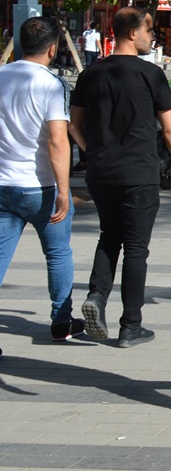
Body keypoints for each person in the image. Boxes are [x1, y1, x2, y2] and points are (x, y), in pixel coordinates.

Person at [72, 7, 171, 347]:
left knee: (109, 236)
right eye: (148, 31)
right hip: (139, 172)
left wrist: (91, 151)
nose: (152, 37)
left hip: (101, 171)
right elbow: (170, 128)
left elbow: (73, 126)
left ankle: (96, 296)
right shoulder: (151, 75)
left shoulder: (90, 74)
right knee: (136, 249)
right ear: (132, 33)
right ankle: (130, 326)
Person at [0, 17, 82, 341]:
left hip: (3, 185)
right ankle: (62, 321)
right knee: (58, 253)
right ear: (53, 48)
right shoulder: (53, 84)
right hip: (42, 187)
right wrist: (65, 190)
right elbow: (58, 140)